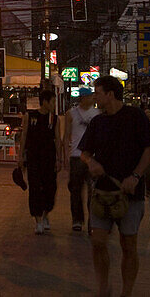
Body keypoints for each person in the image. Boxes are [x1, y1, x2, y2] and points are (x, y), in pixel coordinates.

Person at [78, 75, 150, 297]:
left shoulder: (135, 116)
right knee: (98, 241)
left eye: (98, 93)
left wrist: (136, 175)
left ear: (110, 94)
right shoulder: (97, 122)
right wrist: (91, 162)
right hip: (102, 192)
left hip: (130, 193)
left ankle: (127, 292)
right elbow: (84, 152)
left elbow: (149, 149)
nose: (95, 98)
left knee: (128, 244)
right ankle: (103, 287)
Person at [19, 89, 62, 234]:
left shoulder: (54, 119)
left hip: (49, 159)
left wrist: (59, 158)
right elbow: (24, 136)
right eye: (53, 101)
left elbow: (57, 139)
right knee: (35, 189)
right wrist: (20, 157)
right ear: (45, 102)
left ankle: (45, 215)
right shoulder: (30, 116)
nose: (54, 104)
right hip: (33, 158)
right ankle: (38, 221)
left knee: (50, 189)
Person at [64, 87, 99, 232]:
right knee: (76, 190)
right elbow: (66, 135)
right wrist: (65, 155)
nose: (93, 98)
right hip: (76, 156)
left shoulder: (98, 113)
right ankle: (77, 220)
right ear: (83, 98)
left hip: (93, 157)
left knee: (93, 191)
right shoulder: (71, 114)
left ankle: (93, 221)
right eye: (91, 96)